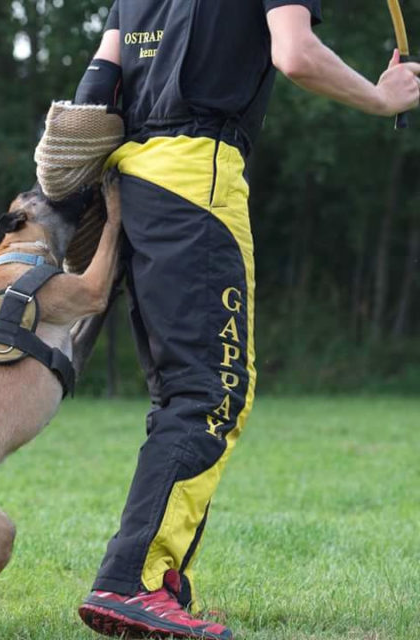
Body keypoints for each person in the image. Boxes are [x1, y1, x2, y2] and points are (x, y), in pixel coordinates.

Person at [72, 2, 420, 638]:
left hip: (133, 177)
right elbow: (295, 54)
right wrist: (380, 97)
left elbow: (101, 78)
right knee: (211, 392)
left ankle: (162, 577)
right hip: (197, 180)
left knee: (181, 392)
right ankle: (133, 582)